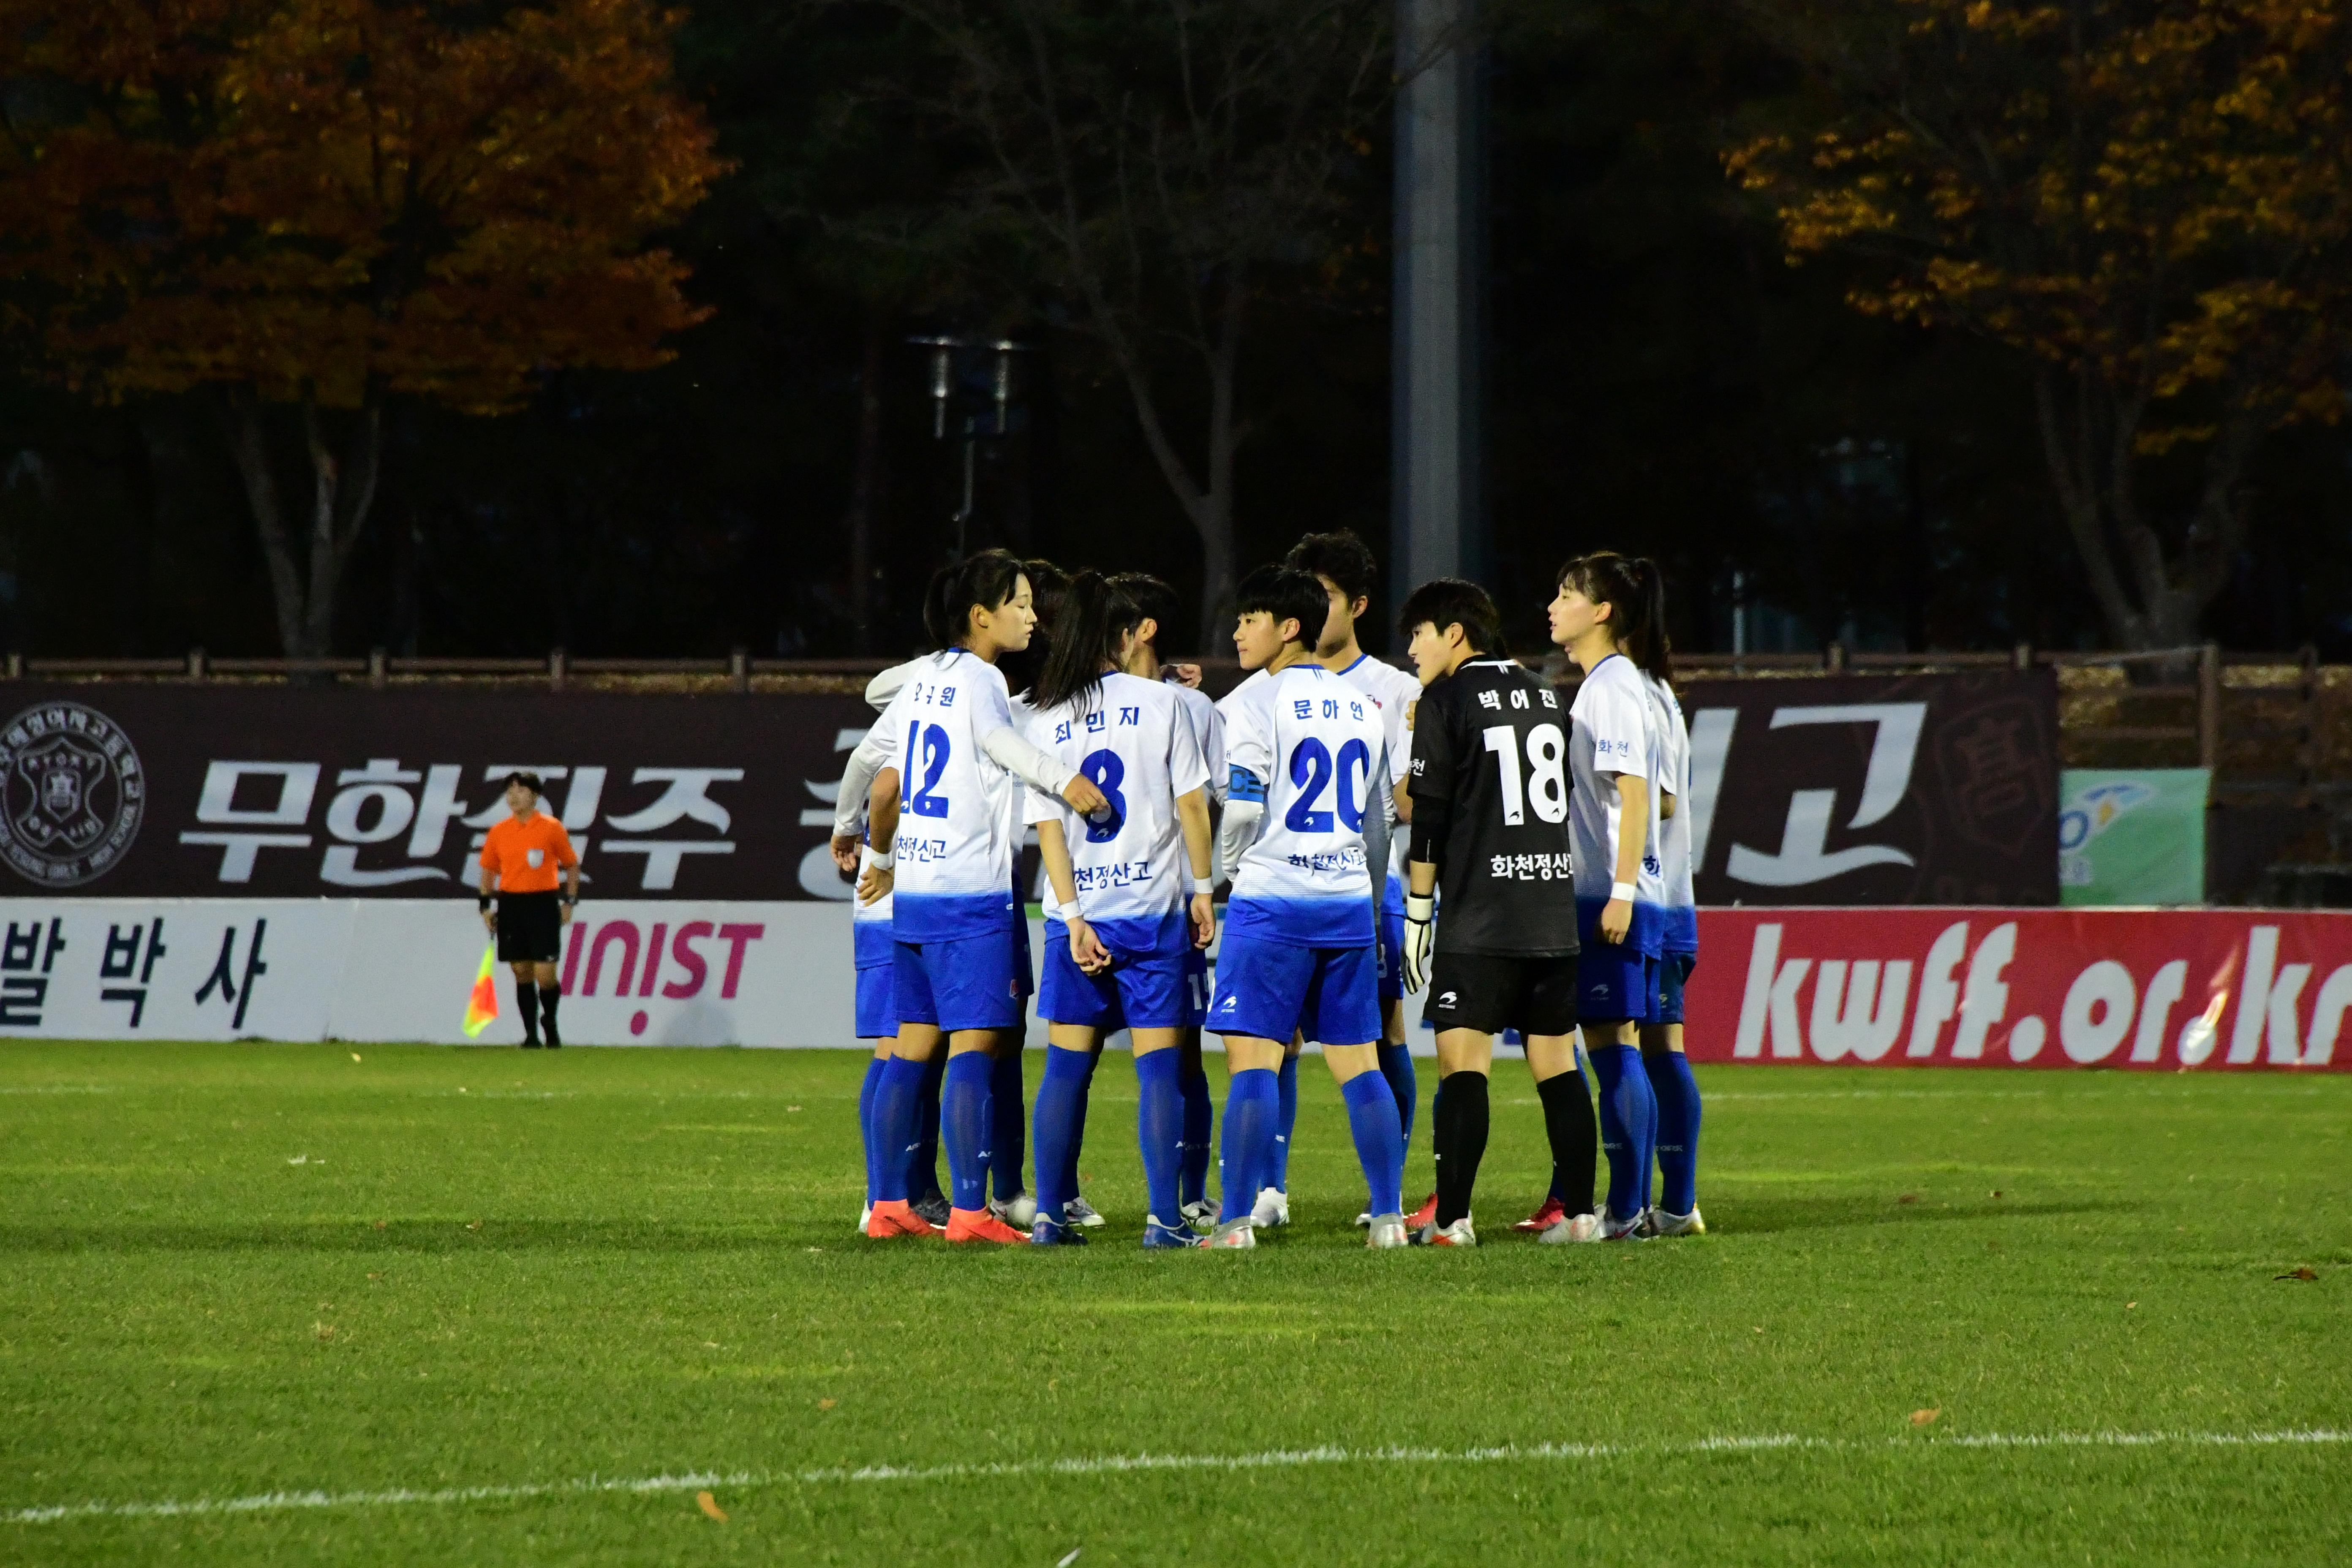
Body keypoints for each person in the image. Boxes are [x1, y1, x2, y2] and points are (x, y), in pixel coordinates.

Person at [856, 552, 1109, 1244]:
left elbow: (882, 784)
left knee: (910, 1047)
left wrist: (879, 857)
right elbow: (1001, 743)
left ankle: (887, 1204)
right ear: (981, 616)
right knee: (975, 1044)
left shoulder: (921, 679)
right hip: (969, 895)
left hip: (913, 890)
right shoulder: (981, 679)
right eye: (1020, 603)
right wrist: (1066, 779)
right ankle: (971, 1212)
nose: (1032, 616)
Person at [1204, 565, 1407, 1249]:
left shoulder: (1252, 703)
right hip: (1347, 901)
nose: (1237, 631)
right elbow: (1379, 820)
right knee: (1360, 1063)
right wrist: (1368, 895)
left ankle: (1234, 1221)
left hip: (1273, 903)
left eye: (1249, 618)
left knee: (1254, 1061)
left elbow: (1240, 804)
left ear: (1288, 627)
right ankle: (1386, 1218)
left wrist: (1228, 870)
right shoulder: (1363, 705)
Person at [1394, 579, 1598, 1246]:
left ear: (1455, 634)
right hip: (1550, 912)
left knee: (1462, 1065)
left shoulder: (1445, 698)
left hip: (1481, 918)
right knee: (1558, 1066)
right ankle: (1580, 1214)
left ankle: (1452, 1219)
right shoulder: (1546, 692)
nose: (1411, 649)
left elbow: (1426, 816)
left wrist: (1419, 910)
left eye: (1419, 634)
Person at [1023, 573, 1219, 1247]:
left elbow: (1048, 829)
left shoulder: (1046, 715)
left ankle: (1050, 1214)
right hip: (1154, 912)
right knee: (1161, 1070)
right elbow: (1192, 804)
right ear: (1127, 633)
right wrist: (1202, 889)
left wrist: (1073, 919)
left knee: (1066, 1070)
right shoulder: (1164, 703)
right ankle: (1166, 1220)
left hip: (1080, 914)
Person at [1550, 552, 1669, 1241]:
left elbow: (1632, 793)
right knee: (1613, 1041)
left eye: (1566, 594)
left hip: (1611, 895)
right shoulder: (1604, 684)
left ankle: (1627, 1209)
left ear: (1601, 612)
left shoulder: (1611, 688)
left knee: (1611, 1044)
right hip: (1610, 890)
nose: (1552, 604)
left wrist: (1619, 891)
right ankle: (1631, 1206)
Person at [1107, 571, 1224, 1225]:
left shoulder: (1192, 708)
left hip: (1119, 901)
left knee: (1164, 1052)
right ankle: (1173, 1203)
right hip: (1157, 903)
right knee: (1167, 1054)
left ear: (1141, 631)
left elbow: (1209, 804)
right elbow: (1205, 804)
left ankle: (1181, 1191)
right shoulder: (1188, 707)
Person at [1641, 651, 1705, 1236]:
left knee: (1639, 1051)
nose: (1554, 609)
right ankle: (1672, 1205)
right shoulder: (1659, 691)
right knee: (1658, 1049)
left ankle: (1658, 1204)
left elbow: (1659, 798)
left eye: (1568, 593)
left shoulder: (1635, 692)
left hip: (1648, 898)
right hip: (1666, 897)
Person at [476, 772, 579, 1049]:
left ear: (535, 796)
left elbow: (571, 865)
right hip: (511, 904)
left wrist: (569, 902)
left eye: (520, 791)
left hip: (543, 903)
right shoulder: (499, 832)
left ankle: (551, 1022)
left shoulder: (551, 828)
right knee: (521, 971)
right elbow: (488, 872)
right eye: (510, 792)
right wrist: (486, 907)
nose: (514, 797)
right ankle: (531, 1034)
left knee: (545, 974)